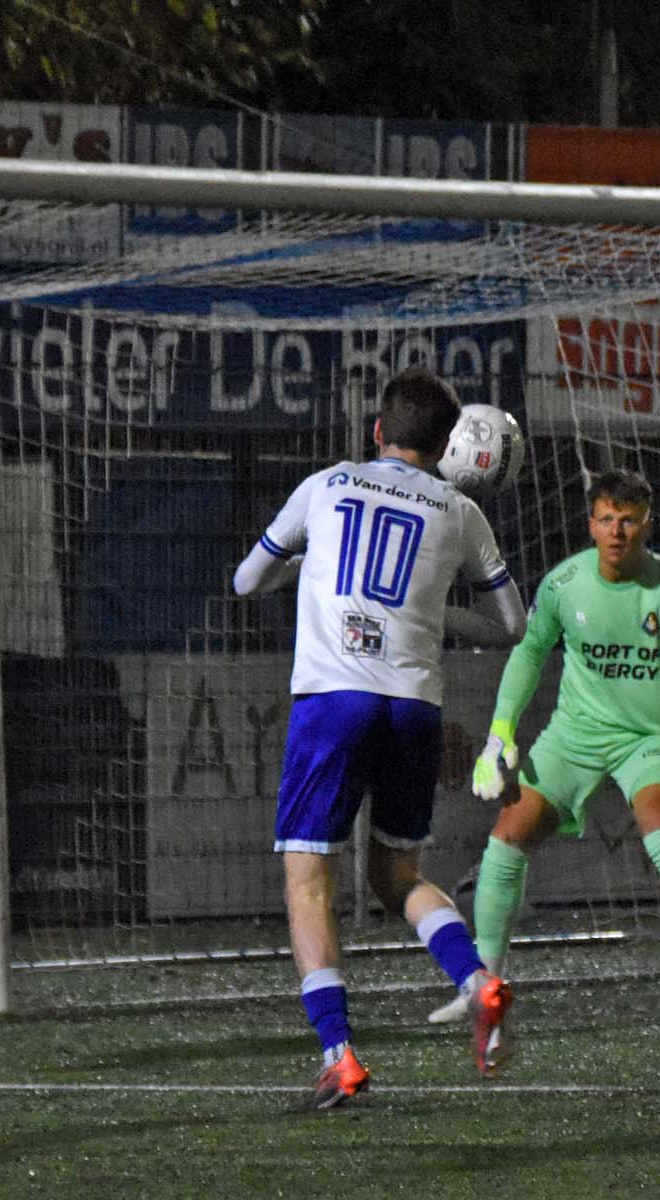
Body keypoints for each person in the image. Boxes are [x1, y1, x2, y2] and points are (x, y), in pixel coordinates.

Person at [232, 368, 526, 1109]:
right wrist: (432, 615)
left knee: (308, 879)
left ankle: (338, 1055)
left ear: (377, 431)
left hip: (333, 703)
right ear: (446, 443)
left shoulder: (326, 485)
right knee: (396, 875)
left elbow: (246, 581)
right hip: (412, 708)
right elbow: (511, 625)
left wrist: (306, 569)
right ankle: (477, 980)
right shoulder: (461, 511)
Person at [465, 466, 660, 1058]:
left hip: (651, 737)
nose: (617, 532)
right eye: (606, 519)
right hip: (574, 735)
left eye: (628, 520)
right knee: (505, 838)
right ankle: (485, 991)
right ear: (591, 524)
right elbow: (529, 653)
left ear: (647, 524)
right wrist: (499, 734)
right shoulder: (564, 583)